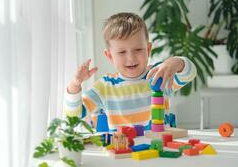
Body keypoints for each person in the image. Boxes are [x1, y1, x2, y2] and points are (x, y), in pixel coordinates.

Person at [64, 12, 197, 131]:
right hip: (124, 154)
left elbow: (189, 74)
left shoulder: (159, 74)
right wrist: (75, 85)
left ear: (148, 49)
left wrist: (175, 62)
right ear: (110, 56)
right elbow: (73, 119)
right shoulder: (105, 86)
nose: (131, 58)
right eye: (122, 52)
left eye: (138, 49)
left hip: (160, 151)